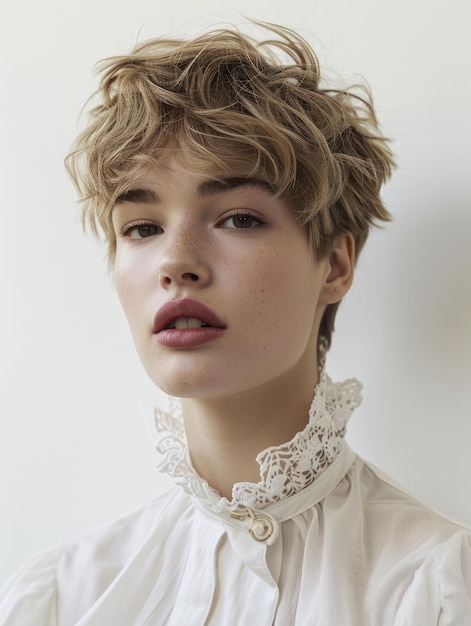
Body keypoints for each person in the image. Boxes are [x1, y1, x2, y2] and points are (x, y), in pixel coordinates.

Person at [0, 21, 470, 626]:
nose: (175, 263)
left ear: (334, 262)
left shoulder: (433, 587)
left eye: (239, 218)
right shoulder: (68, 596)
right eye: (142, 227)